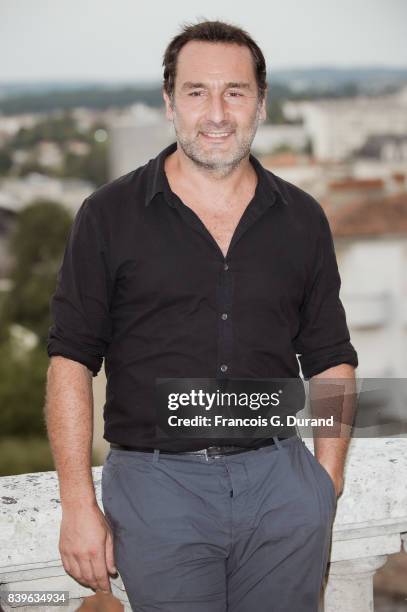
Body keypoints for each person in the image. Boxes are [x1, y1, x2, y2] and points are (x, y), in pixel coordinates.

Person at [45, 20, 358, 612]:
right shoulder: (108, 215)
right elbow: (70, 360)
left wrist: (325, 483)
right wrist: (77, 502)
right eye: (196, 92)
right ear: (170, 102)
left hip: (281, 487)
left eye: (235, 92)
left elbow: (331, 358)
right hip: (158, 489)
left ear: (260, 103)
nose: (216, 112)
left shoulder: (302, 218)